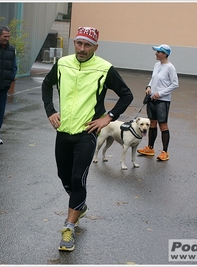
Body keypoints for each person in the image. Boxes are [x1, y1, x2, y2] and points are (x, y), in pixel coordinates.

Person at [42, 26, 133, 252]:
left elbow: (126, 94)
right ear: (75, 43)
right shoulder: (63, 64)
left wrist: (108, 118)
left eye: (87, 45)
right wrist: (50, 110)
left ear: (95, 47)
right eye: (79, 43)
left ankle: (69, 227)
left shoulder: (104, 68)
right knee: (64, 177)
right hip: (63, 132)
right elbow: (46, 84)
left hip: (87, 133)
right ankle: (79, 205)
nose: (82, 49)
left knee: (77, 178)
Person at [137, 44, 179, 161]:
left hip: (162, 101)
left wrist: (160, 93)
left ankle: (165, 151)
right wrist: (149, 86)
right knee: (152, 123)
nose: (156, 54)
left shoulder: (170, 67)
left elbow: (175, 84)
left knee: (163, 125)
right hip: (151, 99)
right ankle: (150, 148)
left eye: (158, 52)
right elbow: (153, 78)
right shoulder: (157, 65)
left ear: (164, 54)